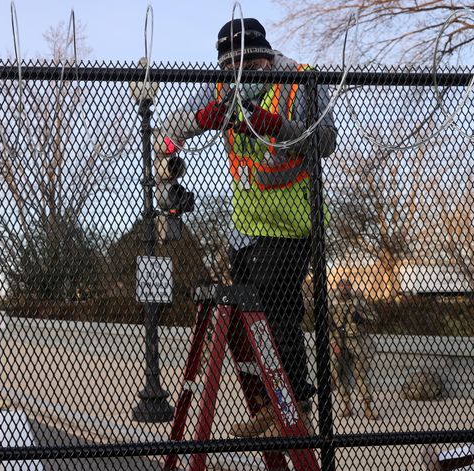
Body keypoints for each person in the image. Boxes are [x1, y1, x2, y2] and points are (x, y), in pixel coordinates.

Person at [156, 18, 337, 437]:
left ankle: (296, 404)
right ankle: (270, 404)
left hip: (293, 221)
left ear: (267, 56)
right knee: (247, 315)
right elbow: (168, 133)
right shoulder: (220, 86)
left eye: (249, 65)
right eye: (230, 66)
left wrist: (277, 127)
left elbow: (325, 141)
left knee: (276, 305)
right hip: (246, 223)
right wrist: (198, 121)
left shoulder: (298, 80)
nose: (240, 75)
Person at [330, 278, 379, 420]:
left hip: (357, 342)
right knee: (339, 375)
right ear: (337, 287)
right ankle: (347, 406)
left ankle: (367, 408)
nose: (344, 287)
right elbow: (326, 324)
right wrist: (333, 343)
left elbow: (375, 317)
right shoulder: (331, 302)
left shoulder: (359, 301)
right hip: (338, 341)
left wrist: (362, 316)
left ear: (351, 287)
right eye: (341, 284)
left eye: (347, 285)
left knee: (360, 375)